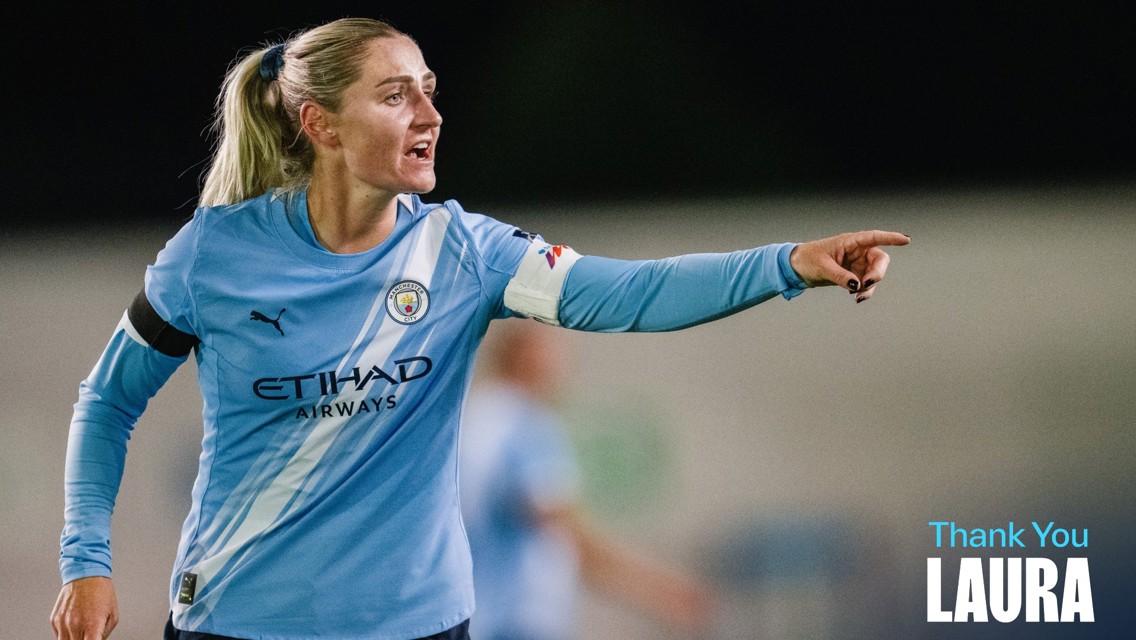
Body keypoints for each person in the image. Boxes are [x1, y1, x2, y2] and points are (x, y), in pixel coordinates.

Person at [50, 16, 909, 640]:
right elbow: (107, 403)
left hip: (422, 628)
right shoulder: (215, 256)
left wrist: (791, 262)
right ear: (322, 126)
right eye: (395, 96)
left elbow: (633, 292)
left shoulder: (468, 252)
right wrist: (86, 562)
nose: (428, 114)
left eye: (429, 91)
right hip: (238, 623)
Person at [460, 319, 717, 640]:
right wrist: (659, 590)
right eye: (554, 350)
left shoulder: (475, 417)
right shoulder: (525, 427)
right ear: (527, 356)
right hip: (512, 622)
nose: (565, 364)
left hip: (477, 614)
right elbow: (563, 529)